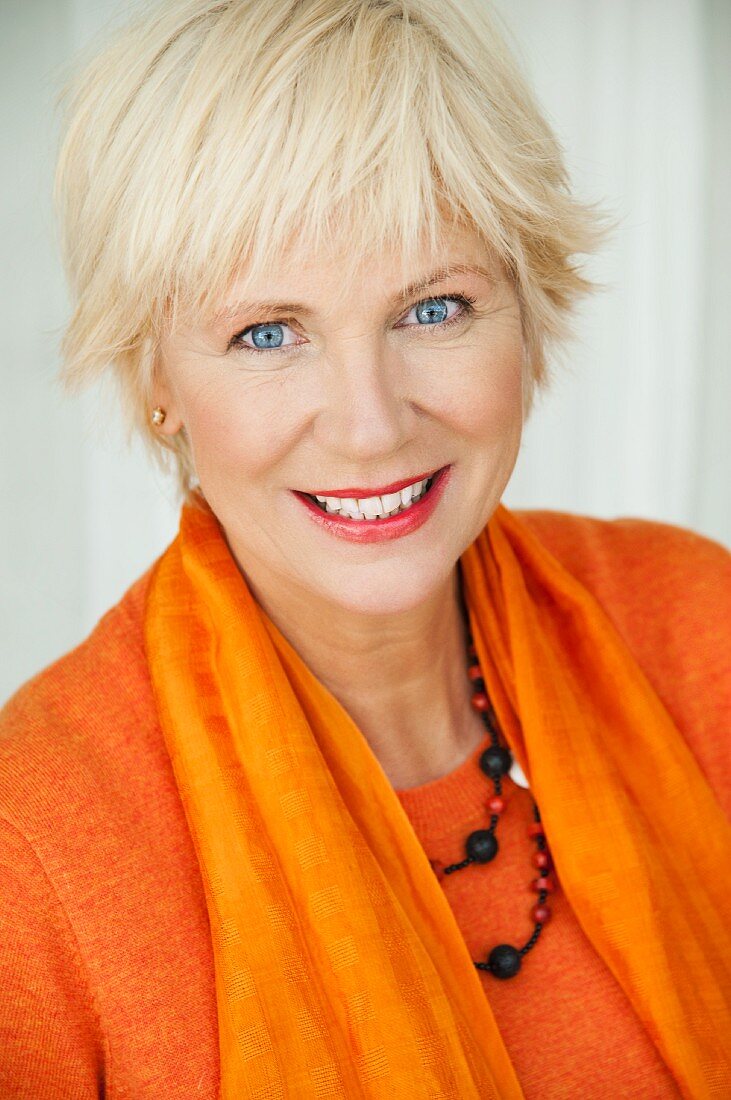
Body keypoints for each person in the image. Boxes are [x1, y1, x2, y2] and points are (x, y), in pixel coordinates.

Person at [1, 0, 729, 1096]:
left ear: (525, 315)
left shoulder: (693, 627)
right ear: (156, 382)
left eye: (432, 309)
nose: (368, 422)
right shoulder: (36, 842)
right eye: (266, 332)